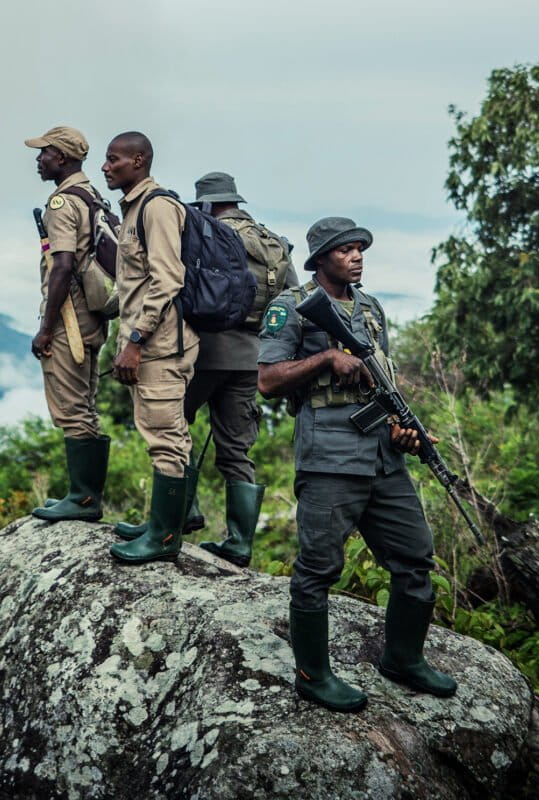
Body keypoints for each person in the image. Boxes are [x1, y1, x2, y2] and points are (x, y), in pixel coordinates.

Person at [257, 217, 457, 712]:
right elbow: (268, 380)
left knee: (415, 558)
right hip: (329, 459)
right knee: (318, 569)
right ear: (320, 259)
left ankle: (403, 659)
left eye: (359, 248)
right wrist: (325, 360)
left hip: (383, 459)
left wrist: (403, 429)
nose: (356, 256)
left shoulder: (371, 308)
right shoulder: (291, 307)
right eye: (344, 250)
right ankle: (313, 675)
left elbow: (382, 384)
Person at [187, 171, 298, 568]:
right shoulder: (273, 242)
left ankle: (179, 515)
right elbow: (293, 302)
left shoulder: (205, 233)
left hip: (204, 353)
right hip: (253, 358)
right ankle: (238, 544)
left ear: (206, 204)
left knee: (170, 425)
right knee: (236, 448)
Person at [101, 131, 199, 564]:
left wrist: (136, 340)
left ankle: (163, 537)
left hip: (160, 346)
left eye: (114, 159)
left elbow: (167, 280)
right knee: (166, 433)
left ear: (138, 160)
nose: (105, 167)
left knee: (165, 438)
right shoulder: (134, 208)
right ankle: (163, 523)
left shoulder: (155, 208)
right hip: (152, 343)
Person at [24, 126, 111, 521]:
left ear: (61, 157)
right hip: (93, 316)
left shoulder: (62, 203)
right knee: (86, 404)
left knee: (72, 406)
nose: (38, 159)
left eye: (43, 152)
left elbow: (61, 266)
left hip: (69, 319)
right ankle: (85, 495)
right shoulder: (92, 196)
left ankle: (83, 498)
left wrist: (46, 328)